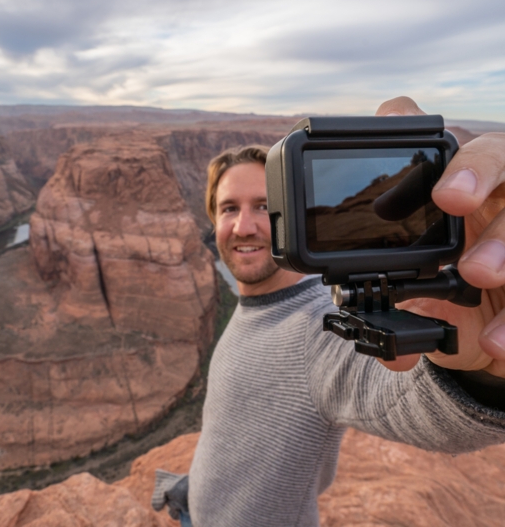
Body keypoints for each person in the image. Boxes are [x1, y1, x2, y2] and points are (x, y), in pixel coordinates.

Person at [152, 96, 505, 526]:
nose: (244, 226)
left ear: (296, 214)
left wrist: (481, 376)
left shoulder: (315, 330)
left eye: (265, 206)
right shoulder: (253, 307)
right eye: (229, 208)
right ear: (213, 219)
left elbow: (396, 399)